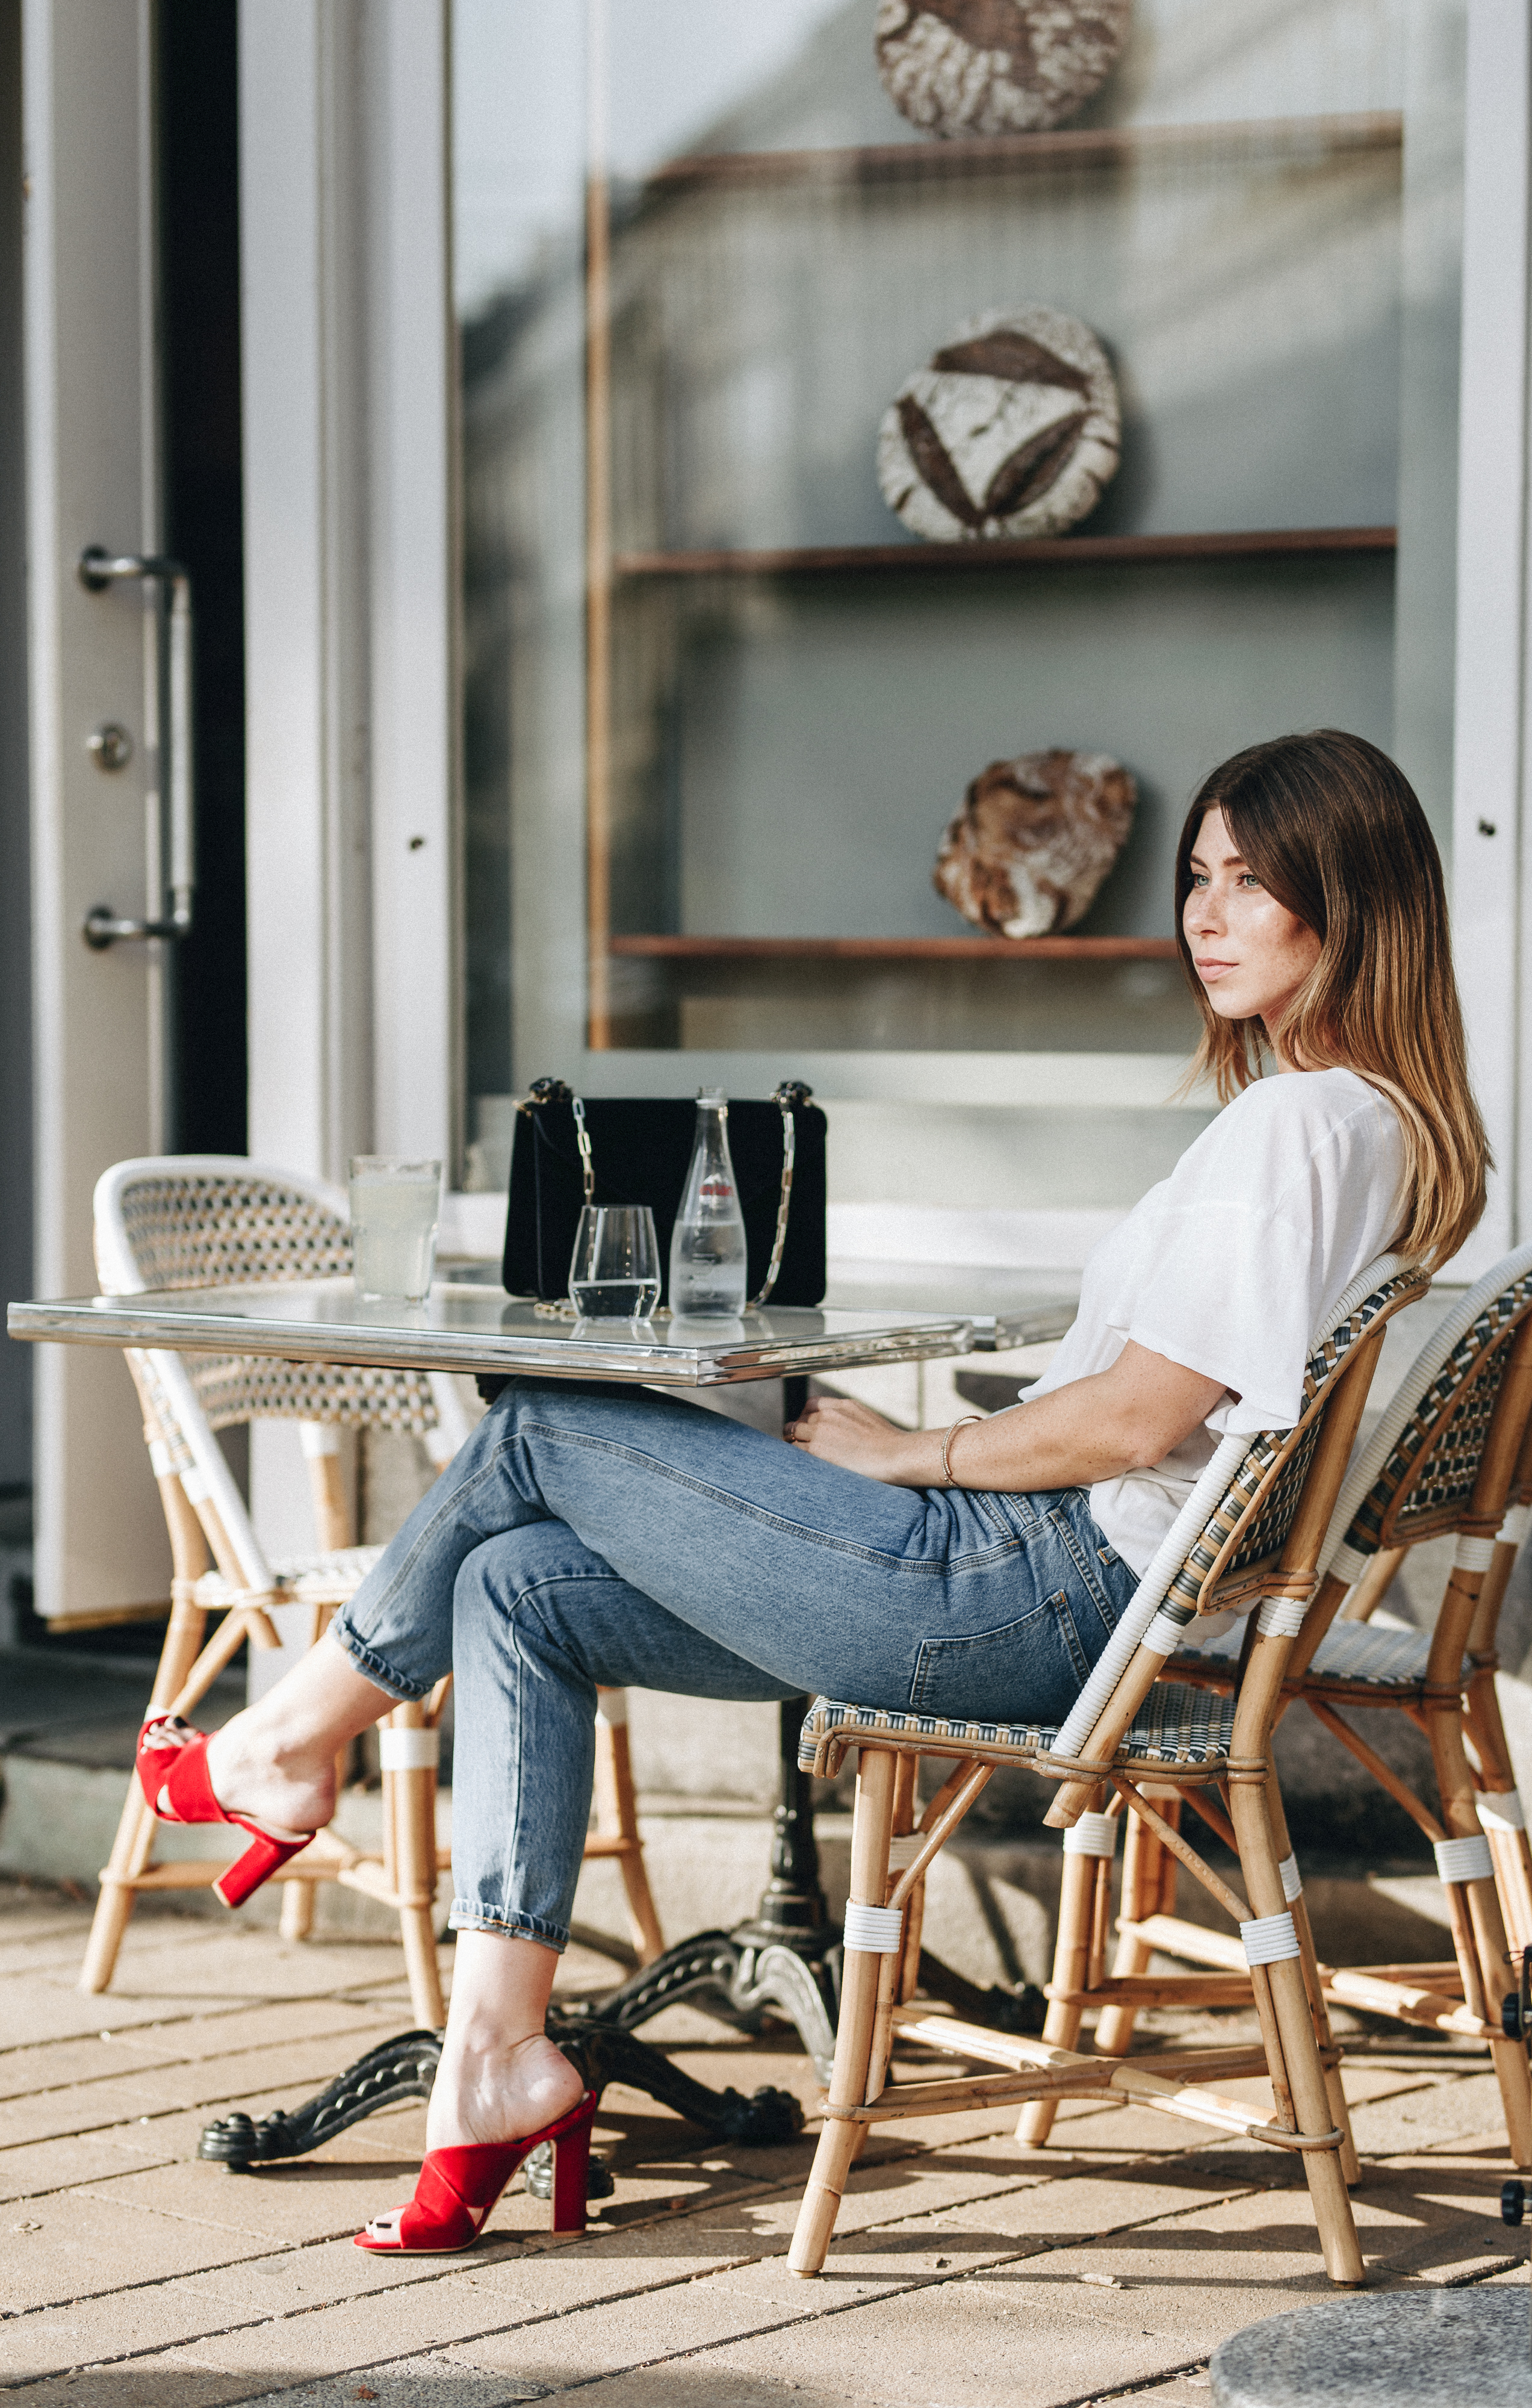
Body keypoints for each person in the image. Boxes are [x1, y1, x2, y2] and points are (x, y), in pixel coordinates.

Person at [137, 728, 1487, 2251]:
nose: (1206, 912)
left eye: (1256, 883)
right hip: (1073, 1594)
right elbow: (1162, 1413)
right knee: (511, 1583)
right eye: (1199, 876)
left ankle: (279, 1744)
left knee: (541, 1422)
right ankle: (495, 2057)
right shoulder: (1378, 1126)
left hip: (1028, 1595)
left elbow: (1134, 1419)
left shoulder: (1293, 1122)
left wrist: (907, 1451)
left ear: (1352, 902)